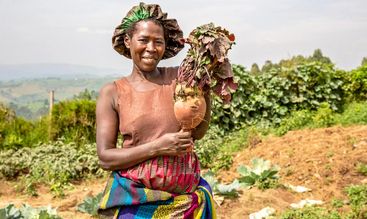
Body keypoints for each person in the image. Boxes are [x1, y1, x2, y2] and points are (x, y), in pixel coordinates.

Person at [96, 3, 215, 218]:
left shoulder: (181, 80)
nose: (151, 48)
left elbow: (197, 133)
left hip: (187, 203)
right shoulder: (112, 93)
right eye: (143, 40)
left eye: (158, 41)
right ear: (127, 41)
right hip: (135, 203)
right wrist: (157, 147)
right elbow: (106, 157)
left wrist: (205, 87)